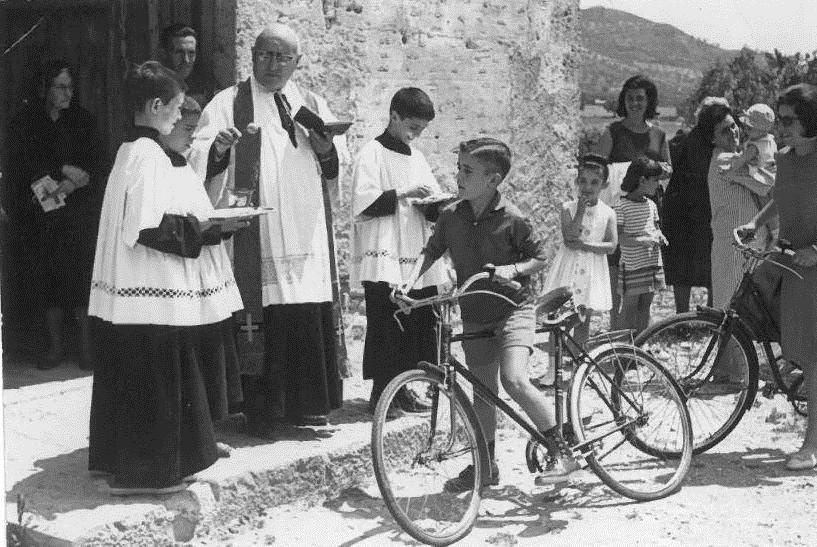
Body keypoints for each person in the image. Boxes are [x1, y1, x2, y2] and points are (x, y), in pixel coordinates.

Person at [88, 61, 247, 495]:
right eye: (177, 109)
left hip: (141, 290)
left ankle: (136, 466)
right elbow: (147, 227)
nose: (181, 118)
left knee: (146, 380)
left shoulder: (133, 150)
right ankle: (147, 475)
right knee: (154, 382)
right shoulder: (146, 154)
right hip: (149, 290)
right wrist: (209, 229)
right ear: (156, 106)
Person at [190, 23, 346, 432]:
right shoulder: (228, 103)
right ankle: (261, 412)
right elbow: (198, 154)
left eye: (282, 57)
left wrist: (327, 147)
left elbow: (336, 166)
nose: (273, 64)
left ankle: (308, 406)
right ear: (252, 55)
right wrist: (219, 149)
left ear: (298, 61)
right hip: (256, 235)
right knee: (261, 314)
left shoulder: (312, 102)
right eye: (265, 55)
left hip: (305, 228)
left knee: (304, 313)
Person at [399, 138, 580, 490]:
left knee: (513, 379)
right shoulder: (451, 214)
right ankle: (485, 466)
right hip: (475, 313)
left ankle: (563, 450)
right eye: (459, 168)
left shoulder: (513, 218)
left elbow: (539, 257)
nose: (458, 176)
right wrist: (407, 284)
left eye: (468, 171)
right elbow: (431, 252)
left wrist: (512, 271)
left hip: (514, 310)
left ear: (493, 180)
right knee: (483, 392)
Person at [350, 87, 452, 416]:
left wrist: (437, 205)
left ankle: (404, 387)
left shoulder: (417, 157)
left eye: (421, 130)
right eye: (412, 127)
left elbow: (430, 204)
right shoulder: (372, 153)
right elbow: (362, 202)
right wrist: (406, 193)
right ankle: (382, 393)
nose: (416, 135)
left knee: (417, 318)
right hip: (385, 251)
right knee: (386, 319)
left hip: (414, 247)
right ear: (394, 116)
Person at [2, 60, 103, 370]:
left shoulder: (83, 121)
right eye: (60, 87)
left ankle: (86, 348)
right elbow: (19, 163)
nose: (67, 93)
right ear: (44, 88)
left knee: (80, 278)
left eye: (70, 87)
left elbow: (97, 164)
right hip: (41, 217)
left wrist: (74, 182)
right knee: (46, 281)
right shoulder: (26, 122)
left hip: (77, 216)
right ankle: (55, 347)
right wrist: (54, 175)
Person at [155, 96, 245, 439]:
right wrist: (212, 230)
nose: (194, 136)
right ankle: (196, 438)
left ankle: (207, 435)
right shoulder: (156, 164)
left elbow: (202, 185)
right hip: (181, 276)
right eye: (189, 128)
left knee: (211, 354)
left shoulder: (180, 159)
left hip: (206, 272)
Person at [738, 83, 817, 470]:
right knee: (799, 350)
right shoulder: (785, 158)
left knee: (815, 358)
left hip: (814, 263)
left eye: (788, 119)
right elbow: (781, 196)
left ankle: (812, 446)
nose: (781, 127)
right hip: (793, 263)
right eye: (779, 118)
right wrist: (755, 222)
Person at [596, 75, 671, 329]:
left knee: (644, 284)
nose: (635, 103)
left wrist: (652, 170)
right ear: (623, 101)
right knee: (620, 279)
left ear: (649, 101)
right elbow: (597, 168)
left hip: (648, 213)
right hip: (620, 212)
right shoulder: (612, 132)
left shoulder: (659, 134)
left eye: (640, 98)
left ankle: (639, 343)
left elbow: (668, 168)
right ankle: (617, 340)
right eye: (630, 98)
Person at [542, 154, 617, 348]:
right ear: (577, 182)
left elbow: (611, 246)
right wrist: (581, 211)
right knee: (560, 319)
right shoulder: (569, 208)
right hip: (569, 268)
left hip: (592, 270)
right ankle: (553, 368)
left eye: (594, 182)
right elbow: (569, 238)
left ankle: (578, 362)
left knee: (583, 319)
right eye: (583, 181)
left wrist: (585, 245)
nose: (588, 187)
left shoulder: (608, 213)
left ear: (604, 185)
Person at [661, 98, 728, 313]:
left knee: (710, 261)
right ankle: (685, 314)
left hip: (705, 210)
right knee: (684, 265)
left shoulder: (720, 142)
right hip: (685, 211)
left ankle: (707, 313)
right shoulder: (684, 142)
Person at [705, 103, 773, 309]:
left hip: (746, 245)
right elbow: (767, 185)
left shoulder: (738, 157)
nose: (733, 132)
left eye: (733, 125)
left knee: (741, 317)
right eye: (725, 130)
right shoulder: (725, 160)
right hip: (734, 247)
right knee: (729, 313)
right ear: (712, 138)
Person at [614, 157, 667, 334]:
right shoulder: (622, 207)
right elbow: (619, 238)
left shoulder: (651, 205)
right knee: (630, 307)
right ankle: (623, 348)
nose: (659, 184)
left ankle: (639, 347)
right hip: (633, 266)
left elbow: (656, 228)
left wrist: (660, 237)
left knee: (646, 305)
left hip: (650, 264)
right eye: (656, 180)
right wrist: (642, 241)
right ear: (642, 180)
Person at [160, 24, 213, 107]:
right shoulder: (154, 88)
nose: (186, 60)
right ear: (164, 54)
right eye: (179, 53)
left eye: (191, 53)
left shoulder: (206, 88)